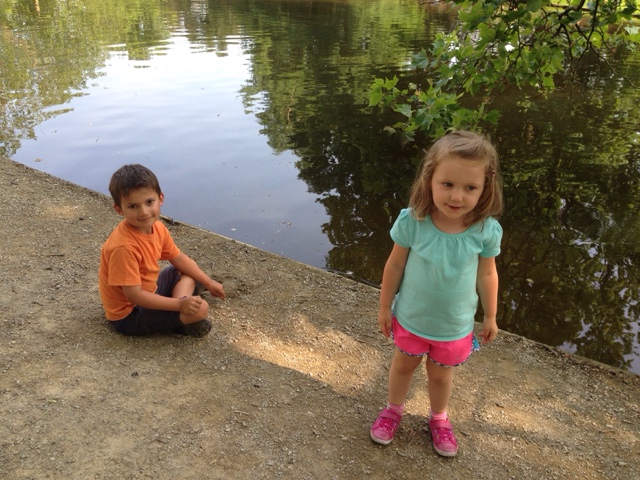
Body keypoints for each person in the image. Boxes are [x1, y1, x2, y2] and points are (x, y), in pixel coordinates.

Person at [370, 130, 503, 457]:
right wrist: (385, 306)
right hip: (411, 317)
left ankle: (439, 418)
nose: (457, 196)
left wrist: (491, 315)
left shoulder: (485, 230)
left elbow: (487, 273)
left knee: (441, 376)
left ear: (485, 188)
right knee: (403, 365)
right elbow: (395, 264)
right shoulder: (413, 221)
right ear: (430, 179)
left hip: (453, 325)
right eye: (447, 184)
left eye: (470, 188)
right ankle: (393, 410)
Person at [98, 164, 225, 337]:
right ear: (119, 209)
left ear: (160, 198)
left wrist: (209, 282)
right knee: (202, 309)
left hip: (150, 291)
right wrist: (179, 305)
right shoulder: (124, 248)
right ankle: (179, 317)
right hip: (129, 314)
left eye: (149, 202)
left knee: (187, 270)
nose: (144, 212)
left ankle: (179, 310)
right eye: (133, 206)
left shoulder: (157, 227)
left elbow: (178, 258)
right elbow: (134, 296)